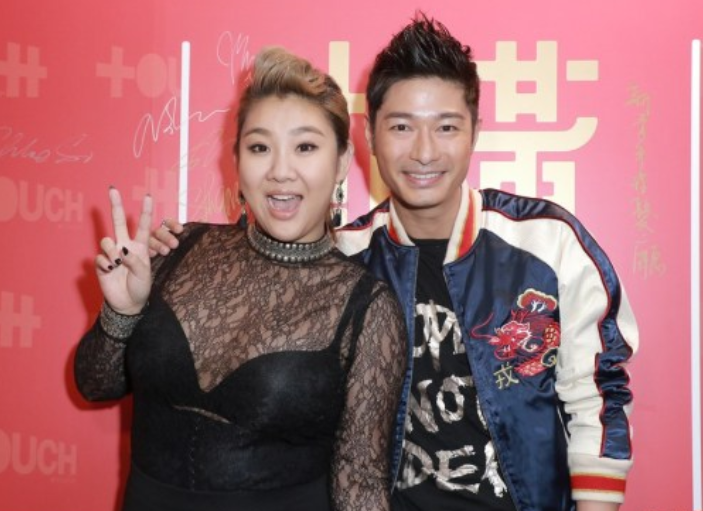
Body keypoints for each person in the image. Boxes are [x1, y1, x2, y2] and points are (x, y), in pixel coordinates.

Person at [152, 13, 639, 511]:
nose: (424, 152)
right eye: (402, 127)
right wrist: (179, 255)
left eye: (446, 127)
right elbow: (258, 274)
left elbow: (598, 396)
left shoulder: (546, 243)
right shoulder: (345, 258)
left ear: (475, 131)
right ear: (369, 135)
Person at [74, 47, 406, 511]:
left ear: (341, 160)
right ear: (236, 158)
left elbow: (361, 486)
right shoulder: (178, 249)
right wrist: (122, 312)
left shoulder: (366, 308)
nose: (280, 172)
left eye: (305, 147)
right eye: (259, 147)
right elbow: (95, 384)